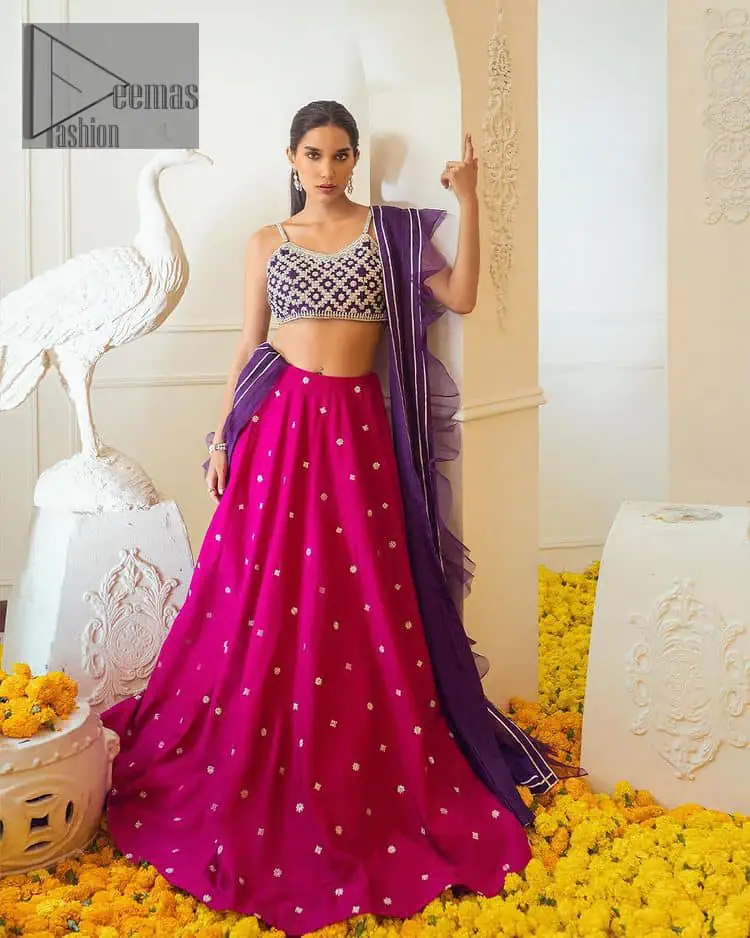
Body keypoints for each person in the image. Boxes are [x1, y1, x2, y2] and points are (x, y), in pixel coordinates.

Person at [101, 100, 576, 936]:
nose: (327, 168)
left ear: (355, 160)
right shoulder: (266, 242)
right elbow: (249, 344)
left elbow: (462, 297)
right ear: (292, 158)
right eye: (314, 154)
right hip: (278, 428)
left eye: (341, 154)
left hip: (356, 431)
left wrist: (469, 199)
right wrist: (221, 437)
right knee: (261, 595)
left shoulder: (389, 235)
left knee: (358, 598)